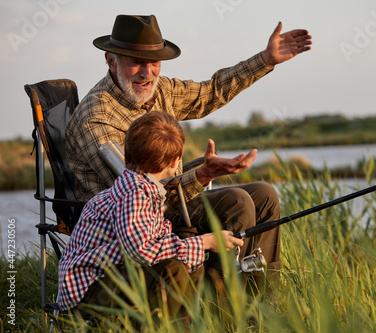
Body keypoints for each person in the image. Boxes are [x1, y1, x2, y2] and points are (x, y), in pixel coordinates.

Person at [65, 14, 312, 289]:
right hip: (128, 221)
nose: (147, 74)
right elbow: (139, 192)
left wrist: (265, 59)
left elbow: (212, 91)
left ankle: (263, 305)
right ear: (111, 60)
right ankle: (224, 311)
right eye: (136, 62)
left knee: (265, 195)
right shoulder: (96, 118)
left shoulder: (161, 90)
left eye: (154, 62)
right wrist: (202, 175)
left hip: (163, 197)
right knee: (236, 201)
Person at [57, 111, 244, 319]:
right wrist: (206, 242)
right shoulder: (135, 194)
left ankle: (187, 325)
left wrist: (194, 251)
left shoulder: (144, 188)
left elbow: (152, 244)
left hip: (108, 279)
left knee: (186, 262)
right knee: (173, 269)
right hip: (87, 296)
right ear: (174, 162)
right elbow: (141, 251)